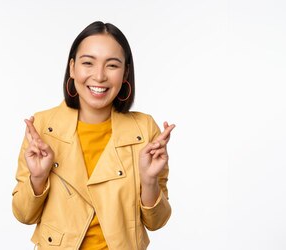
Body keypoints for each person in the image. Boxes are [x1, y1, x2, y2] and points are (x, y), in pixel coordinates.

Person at [12, 21, 175, 249]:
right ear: (72, 67)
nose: (99, 76)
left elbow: (157, 221)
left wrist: (149, 181)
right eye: (88, 63)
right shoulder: (43, 126)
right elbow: (23, 214)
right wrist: (37, 179)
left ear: (125, 72)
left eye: (112, 65)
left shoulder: (144, 129)